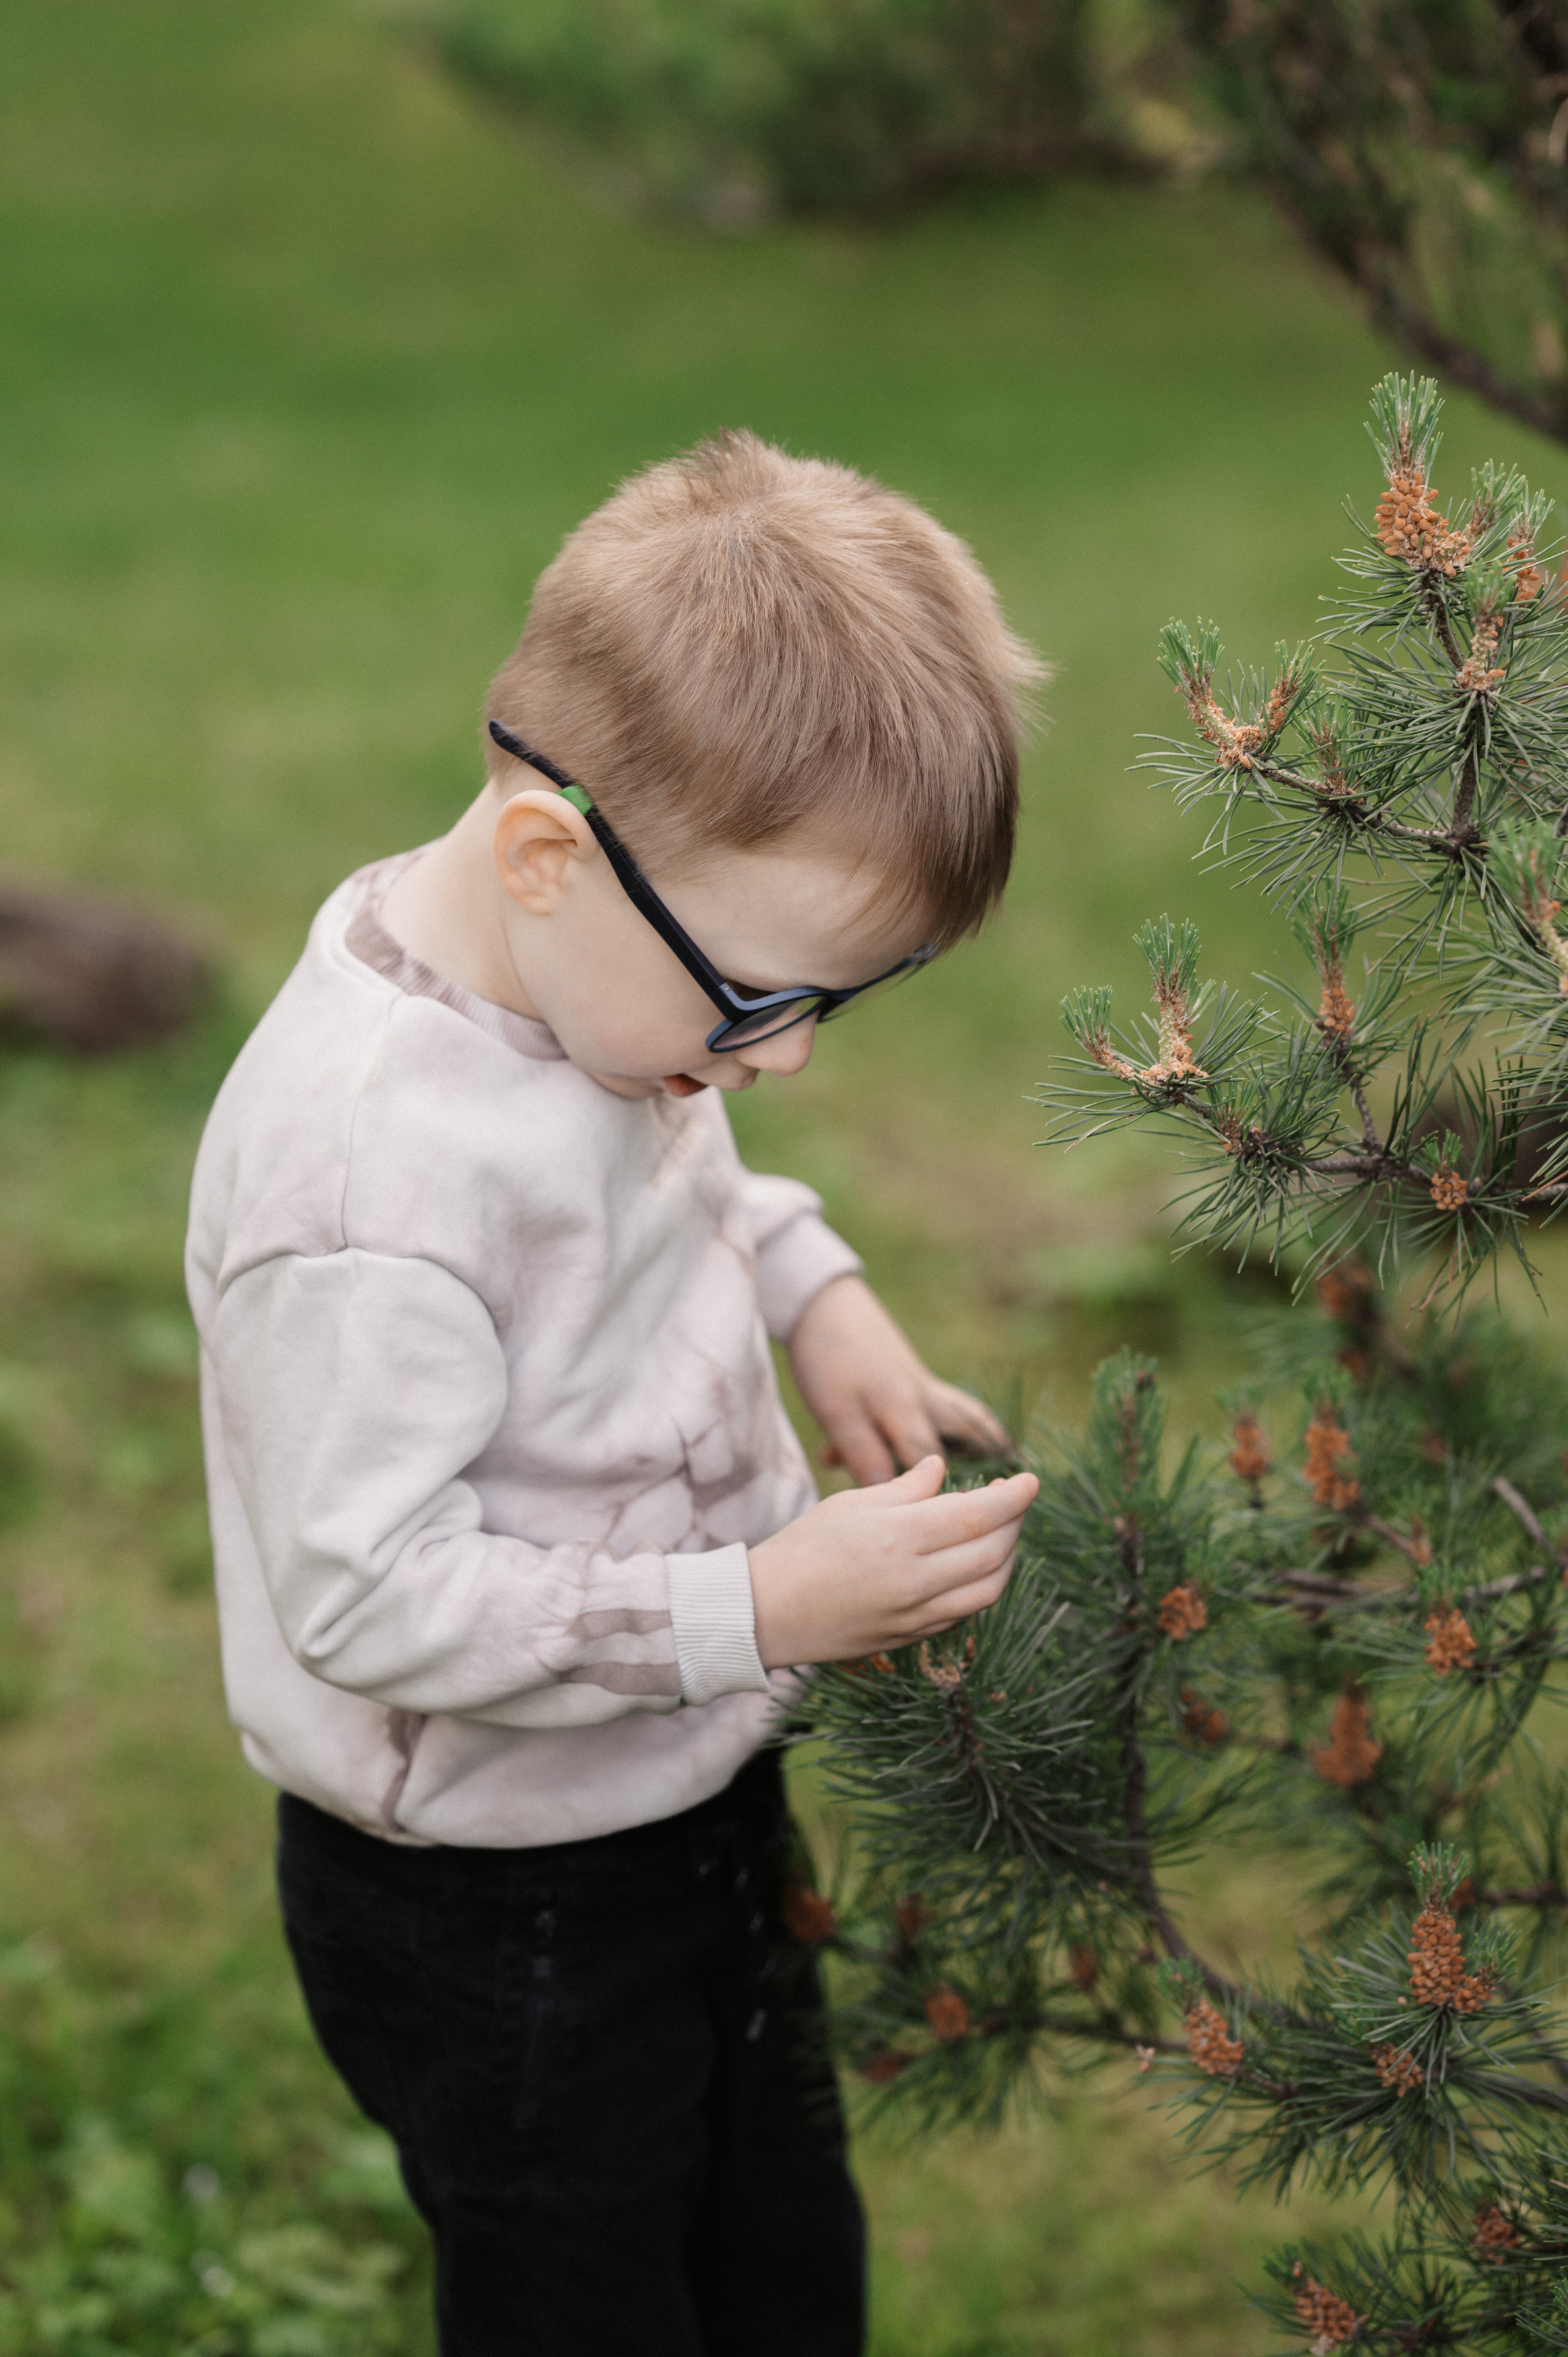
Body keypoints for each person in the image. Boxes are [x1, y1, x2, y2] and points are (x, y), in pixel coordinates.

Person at [185, 430, 1042, 2356]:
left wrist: (813, 1289)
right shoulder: (367, 1192)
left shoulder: (599, 1009)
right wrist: (756, 1607)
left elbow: (681, 1182)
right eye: (758, 1002)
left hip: (685, 1781)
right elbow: (367, 1595)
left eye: (840, 1000)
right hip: (497, 1900)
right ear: (551, 854)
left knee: (772, 2244)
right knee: (582, 2289)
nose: (789, 1058)